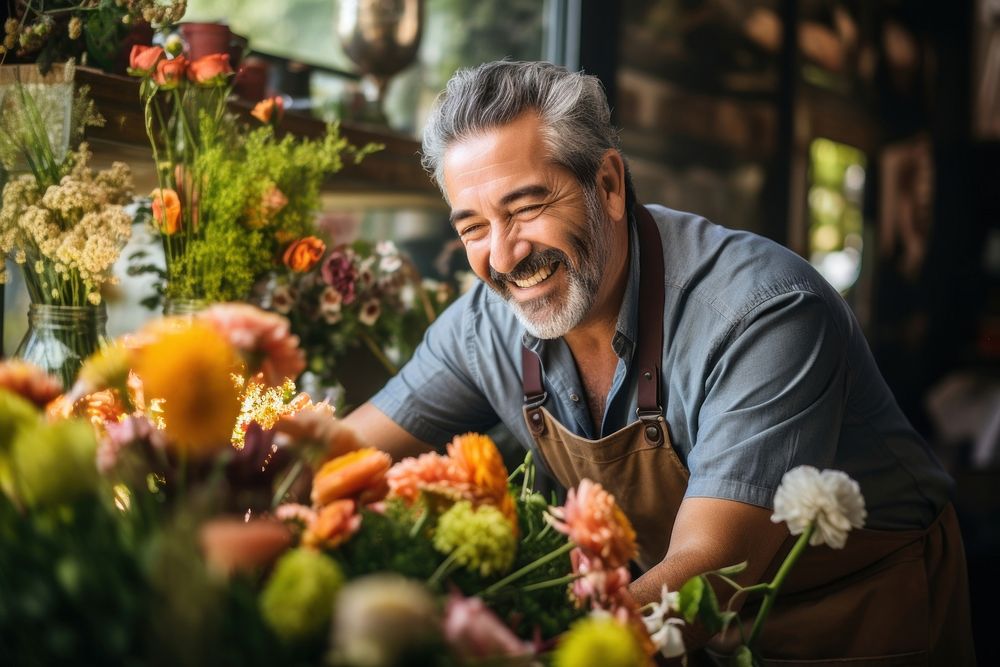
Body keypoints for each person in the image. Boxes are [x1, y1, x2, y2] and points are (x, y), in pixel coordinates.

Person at [338, 60, 974, 662]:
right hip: (671, 629)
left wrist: (528, 652)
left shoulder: (763, 314)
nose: (502, 257)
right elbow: (340, 454)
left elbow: (712, 577)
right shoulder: (487, 324)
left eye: (526, 206)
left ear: (608, 185)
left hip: (853, 619)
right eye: (473, 226)